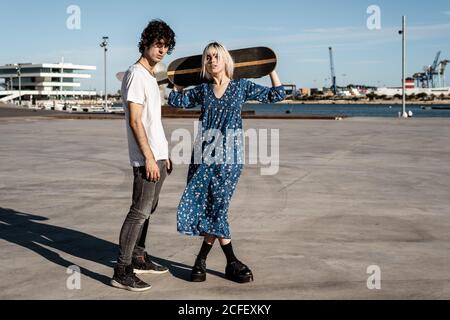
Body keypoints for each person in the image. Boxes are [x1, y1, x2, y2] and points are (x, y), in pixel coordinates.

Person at [168, 42, 285, 283]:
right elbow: (176, 101)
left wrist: (270, 68)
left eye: (216, 56)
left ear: (225, 60)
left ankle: (212, 260)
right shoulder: (202, 90)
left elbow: (277, 95)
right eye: (208, 57)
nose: (212, 60)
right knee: (206, 206)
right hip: (202, 156)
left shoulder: (240, 86)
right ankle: (222, 263)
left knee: (218, 206)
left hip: (230, 158)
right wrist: (178, 82)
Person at [111, 19, 175, 292]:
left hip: (158, 156)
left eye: (166, 47)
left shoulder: (150, 76)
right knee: (138, 212)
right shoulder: (136, 74)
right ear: (146, 43)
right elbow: (135, 121)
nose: (162, 51)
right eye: (158, 45)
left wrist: (163, 154)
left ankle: (138, 257)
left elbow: (152, 122)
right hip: (146, 158)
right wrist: (149, 158)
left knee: (148, 210)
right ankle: (122, 271)